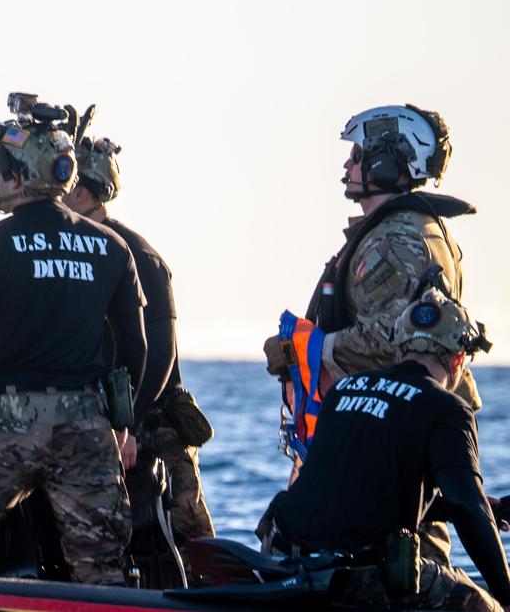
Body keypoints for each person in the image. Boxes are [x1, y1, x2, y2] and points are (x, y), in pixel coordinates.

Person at [0, 94, 154, 585]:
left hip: (7, 427)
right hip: (87, 429)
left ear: (19, 176)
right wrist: (123, 423)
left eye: (0, 170)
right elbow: (136, 348)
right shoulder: (112, 248)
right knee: (103, 572)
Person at [261, 290, 507, 612]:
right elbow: (467, 507)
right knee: (480, 602)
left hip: (281, 556)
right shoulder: (448, 409)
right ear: (458, 360)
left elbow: (355, 494)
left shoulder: (342, 391)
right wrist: (505, 596)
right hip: (348, 576)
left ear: (399, 348)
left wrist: (455, 509)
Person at [67, 126, 215, 544]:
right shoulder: (72, 254)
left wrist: (128, 425)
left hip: (154, 421)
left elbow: (161, 353)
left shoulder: (139, 257)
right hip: (102, 420)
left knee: (188, 534)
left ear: (82, 193)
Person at [277, 106, 478, 409]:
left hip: (390, 422)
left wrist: (299, 349)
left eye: (358, 155)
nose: (347, 164)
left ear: (385, 165)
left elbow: (384, 341)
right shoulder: (421, 227)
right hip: (404, 417)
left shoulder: (393, 240)